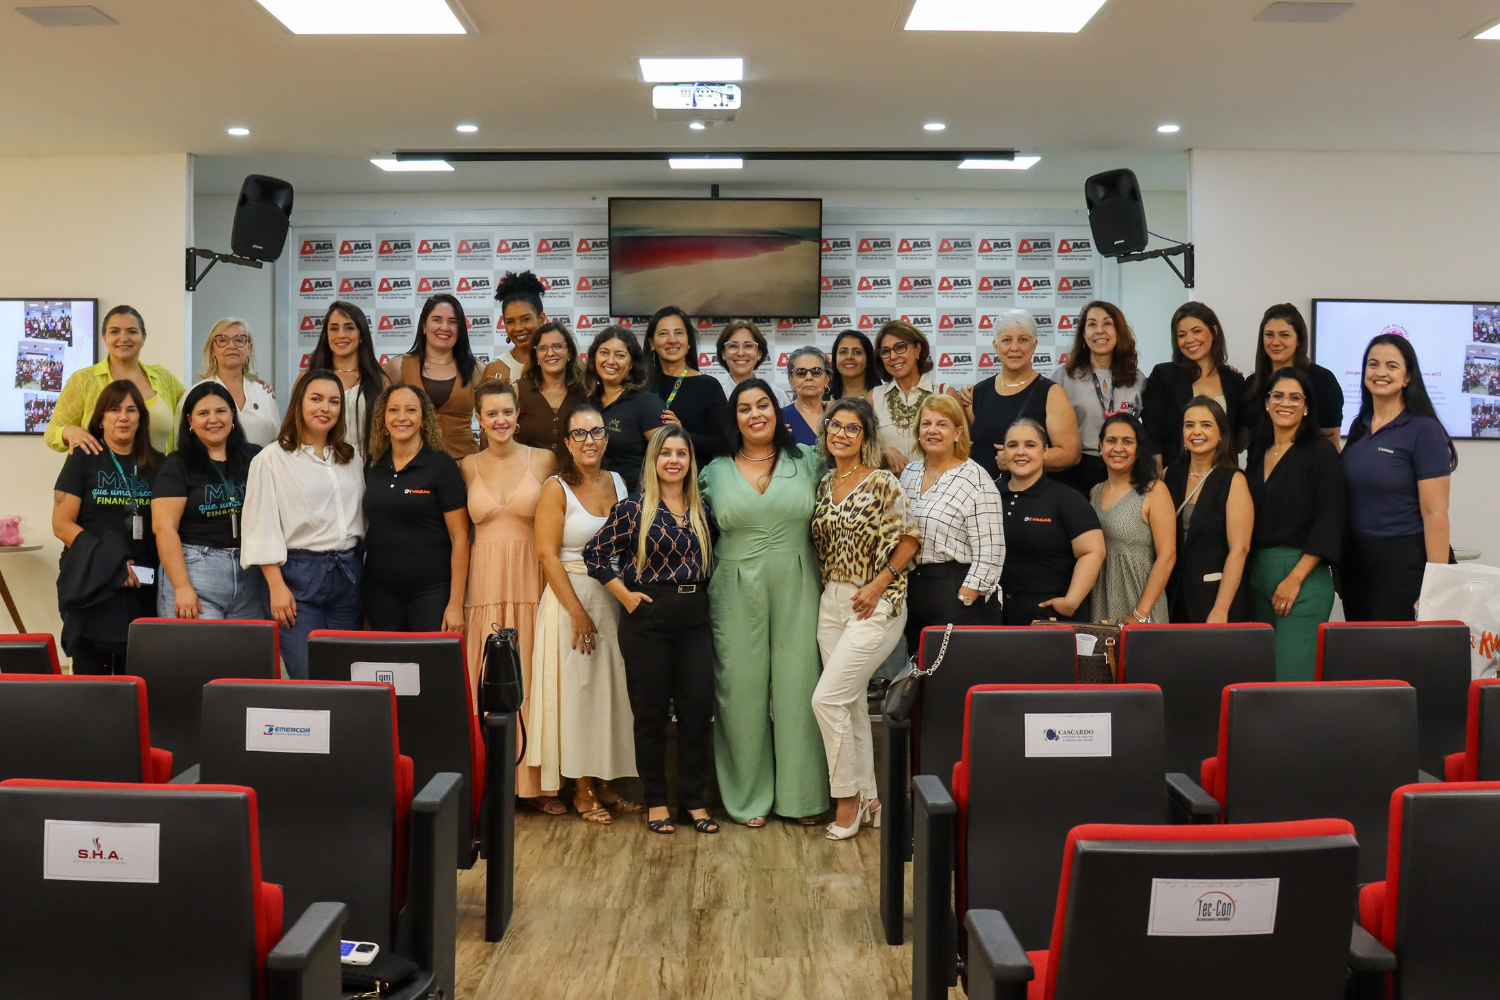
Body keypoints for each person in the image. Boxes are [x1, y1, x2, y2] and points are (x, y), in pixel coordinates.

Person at [699, 378, 830, 827]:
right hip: (734, 586)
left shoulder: (810, 459)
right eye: (744, 408)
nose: (755, 414)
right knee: (739, 691)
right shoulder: (714, 470)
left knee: (800, 687)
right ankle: (747, 799)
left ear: (778, 410)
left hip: (800, 581)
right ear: (733, 419)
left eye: (763, 405)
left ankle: (802, 797)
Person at [584, 427, 720, 835]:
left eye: (681, 453)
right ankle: (657, 801)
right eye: (666, 453)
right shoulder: (633, 508)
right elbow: (595, 554)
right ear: (654, 460)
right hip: (648, 621)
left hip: (695, 619)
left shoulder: (702, 509)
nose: (673, 460)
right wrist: (624, 596)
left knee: (697, 713)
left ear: (690, 461)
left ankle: (694, 802)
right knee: (650, 716)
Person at [810, 396, 921, 840]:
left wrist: (877, 585)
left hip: (877, 600)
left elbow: (910, 539)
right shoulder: (824, 483)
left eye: (851, 428)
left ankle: (846, 799)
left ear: (866, 436)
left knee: (826, 700)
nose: (841, 434)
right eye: (834, 425)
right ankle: (870, 796)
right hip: (831, 601)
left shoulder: (882, 482)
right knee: (849, 701)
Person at [530, 405, 639, 822]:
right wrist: (576, 612)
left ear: (606, 439)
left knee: (607, 693)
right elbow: (547, 556)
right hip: (571, 600)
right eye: (579, 434)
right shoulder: (556, 488)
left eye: (595, 432)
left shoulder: (618, 481)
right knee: (577, 695)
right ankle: (581, 789)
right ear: (567, 442)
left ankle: (606, 782)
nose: (588, 440)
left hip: (613, 599)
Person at [461, 380, 556, 808]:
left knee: (532, 679)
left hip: (531, 583)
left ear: (518, 415)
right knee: (483, 683)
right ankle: (489, 788)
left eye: (506, 412)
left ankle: (535, 786)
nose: (500, 420)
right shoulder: (466, 466)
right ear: (479, 419)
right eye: (491, 413)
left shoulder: (543, 459)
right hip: (483, 587)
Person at [241, 370, 365, 680]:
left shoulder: (351, 457)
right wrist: (276, 587)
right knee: (309, 676)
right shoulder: (271, 459)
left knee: (345, 675)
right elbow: (261, 526)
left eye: (334, 401)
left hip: (348, 575)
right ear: (299, 403)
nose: (326, 408)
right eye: (316, 399)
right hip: (297, 578)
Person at [1340, 334, 1456, 621]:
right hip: (1357, 561)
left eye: (1392, 366)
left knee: (1394, 648)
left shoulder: (1424, 430)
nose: (1380, 372)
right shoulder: (1360, 426)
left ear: (1407, 377)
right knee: (1361, 646)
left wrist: (1436, 585)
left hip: (1403, 561)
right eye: (1373, 364)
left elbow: (1435, 513)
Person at [52, 381, 162, 674]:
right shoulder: (82, 458)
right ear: (101, 418)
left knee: (139, 674)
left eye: (131, 410)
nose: (123, 417)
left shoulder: (159, 463)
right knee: (93, 676)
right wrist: (112, 563)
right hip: (94, 579)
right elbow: (61, 525)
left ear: (141, 418)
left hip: (143, 583)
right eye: (114, 409)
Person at [1245, 368, 1344, 680]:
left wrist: (1294, 579)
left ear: (1306, 407)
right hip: (1256, 574)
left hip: (1302, 577)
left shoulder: (1321, 452)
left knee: (1291, 679)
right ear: (1266, 403)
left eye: (1294, 397)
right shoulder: (1258, 450)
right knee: (1259, 678)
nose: (1284, 403)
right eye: (1277, 396)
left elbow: (1331, 518)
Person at [897, 394, 1005, 651]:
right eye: (926, 424)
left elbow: (991, 552)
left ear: (958, 432)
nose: (932, 430)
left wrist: (965, 598)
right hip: (914, 592)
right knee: (920, 671)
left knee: (956, 672)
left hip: (958, 593)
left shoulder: (976, 479)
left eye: (942, 424)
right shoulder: (909, 473)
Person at [152, 382, 265, 620]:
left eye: (221, 411)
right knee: (200, 645)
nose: (213, 419)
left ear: (232, 415)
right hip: (196, 571)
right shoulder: (177, 464)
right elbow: (164, 528)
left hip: (250, 575)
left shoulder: (255, 457)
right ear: (190, 421)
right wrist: (182, 587)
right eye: (203, 413)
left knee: (248, 646)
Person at [362, 384, 470, 632]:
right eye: (393, 410)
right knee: (387, 658)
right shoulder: (373, 466)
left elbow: (460, 537)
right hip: (380, 593)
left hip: (431, 591)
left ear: (423, 418)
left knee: (427, 657)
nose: (402, 417)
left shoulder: (442, 466)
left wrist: (455, 603)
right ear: (383, 418)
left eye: (411, 410)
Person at [997, 418, 1106, 625]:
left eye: (1030, 445)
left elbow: (1093, 551)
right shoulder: (989, 496)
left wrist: (1071, 602)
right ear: (1003, 451)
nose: (1020, 452)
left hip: (1049, 618)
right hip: (997, 616)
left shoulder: (1066, 498)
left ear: (1045, 451)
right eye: (1012, 445)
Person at [46, 305, 185, 456]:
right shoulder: (83, 380)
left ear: (143, 338)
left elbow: (194, 407)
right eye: (114, 332)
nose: (123, 338)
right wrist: (68, 431)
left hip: (159, 470)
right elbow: (52, 433)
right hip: (101, 471)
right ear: (104, 338)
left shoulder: (162, 376)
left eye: (132, 331)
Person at [962, 310, 1082, 481]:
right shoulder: (978, 392)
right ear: (996, 346)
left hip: (1030, 494)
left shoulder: (1051, 394)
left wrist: (1018, 459)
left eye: (1023, 340)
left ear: (1034, 345)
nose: (1014, 347)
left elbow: (1070, 454)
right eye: (1006, 340)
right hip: (981, 494)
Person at [1164, 397, 1253, 623]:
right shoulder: (1169, 475)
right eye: (1189, 425)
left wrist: (1220, 609)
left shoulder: (1234, 480)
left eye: (1206, 425)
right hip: (1171, 597)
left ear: (1221, 433)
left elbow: (1239, 549)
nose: (1196, 432)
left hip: (1213, 599)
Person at [1089, 412, 1175, 624]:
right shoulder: (1094, 492)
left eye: (1127, 442)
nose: (1118, 448)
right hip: (1101, 603)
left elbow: (1167, 556)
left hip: (1142, 607)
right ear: (1100, 445)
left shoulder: (1154, 491)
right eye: (1111, 441)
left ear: (1138, 449)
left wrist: (1140, 613)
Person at [1055, 301, 1143, 498]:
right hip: (1074, 472)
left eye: (1107, 324)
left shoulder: (1137, 379)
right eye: (1092, 324)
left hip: (1123, 469)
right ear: (1083, 334)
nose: (1099, 331)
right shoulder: (1063, 376)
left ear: (1118, 331)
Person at [1143, 302, 1247, 467]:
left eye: (1197, 331)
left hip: (1223, 472)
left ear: (1214, 332)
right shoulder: (1164, 375)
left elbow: (1238, 436)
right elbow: (1152, 433)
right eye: (1181, 335)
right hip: (1175, 472)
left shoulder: (1234, 381)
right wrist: (1157, 475)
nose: (1190, 340)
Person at [383, 293, 481, 459]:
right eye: (437, 320)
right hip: (413, 464)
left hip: (465, 464)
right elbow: (377, 417)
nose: (444, 327)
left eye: (452, 322)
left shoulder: (477, 370)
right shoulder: (398, 367)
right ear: (423, 326)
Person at [1242, 304, 1343, 449]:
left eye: (1284, 335)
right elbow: (1242, 441)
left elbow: (1332, 442)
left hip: (1308, 463)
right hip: (1260, 463)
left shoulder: (1323, 380)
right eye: (1269, 335)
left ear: (1299, 340)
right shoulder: (1251, 385)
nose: (1276, 342)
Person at [869, 320, 963, 475]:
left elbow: (962, 449)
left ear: (918, 349)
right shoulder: (874, 397)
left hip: (937, 485)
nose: (893, 356)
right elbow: (862, 453)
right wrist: (884, 453)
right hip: (888, 487)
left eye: (900, 347)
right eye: (886, 351)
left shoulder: (944, 393)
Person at [644, 305, 729, 463]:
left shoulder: (708, 386)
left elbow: (723, 444)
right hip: (646, 475)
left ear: (688, 341)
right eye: (663, 334)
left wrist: (682, 435)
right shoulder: (641, 386)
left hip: (695, 475)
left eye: (679, 333)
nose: (672, 340)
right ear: (652, 344)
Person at [586, 326, 665, 490]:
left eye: (620, 355)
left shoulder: (646, 403)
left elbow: (668, 454)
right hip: (592, 497)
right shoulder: (587, 404)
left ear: (632, 364)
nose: (610, 361)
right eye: (604, 353)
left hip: (636, 498)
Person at [307, 300, 388, 456]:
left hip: (367, 466)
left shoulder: (380, 381)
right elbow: (294, 427)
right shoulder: (308, 378)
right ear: (326, 335)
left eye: (349, 328)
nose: (341, 335)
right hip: (317, 464)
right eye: (334, 329)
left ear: (361, 335)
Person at [190, 317, 280, 446]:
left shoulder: (265, 394)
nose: (231, 346)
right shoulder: (195, 395)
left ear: (249, 348)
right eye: (223, 340)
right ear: (212, 349)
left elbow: (277, 442)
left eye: (239, 340)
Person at [513, 321, 587, 460]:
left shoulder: (584, 393)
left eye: (557, 346)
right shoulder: (518, 391)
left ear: (569, 352)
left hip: (573, 473)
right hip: (527, 472)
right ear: (536, 356)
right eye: (543, 348)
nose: (550, 353)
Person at [481, 271, 548, 383]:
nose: (518, 328)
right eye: (510, 322)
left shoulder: (558, 362)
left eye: (525, 319)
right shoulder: (496, 369)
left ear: (541, 319)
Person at [713, 319, 788, 406]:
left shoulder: (778, 396)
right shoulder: (712, 398)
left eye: (748, 346)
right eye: (733, 346)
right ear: (723, 352)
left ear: (759, 352)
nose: (740, 353)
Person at [782, 345, 831, 446]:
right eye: (801, 372)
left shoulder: (837, 416)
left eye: (816, 371)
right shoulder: (780, 418)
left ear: (826, 380)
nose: (809, 377)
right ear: (791, 380)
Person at [831, 329, 885, 401]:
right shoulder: (823, 397)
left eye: (857, 352)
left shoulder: (880, 397)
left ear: (868, 360)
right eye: (843, 352)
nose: (849, 357)